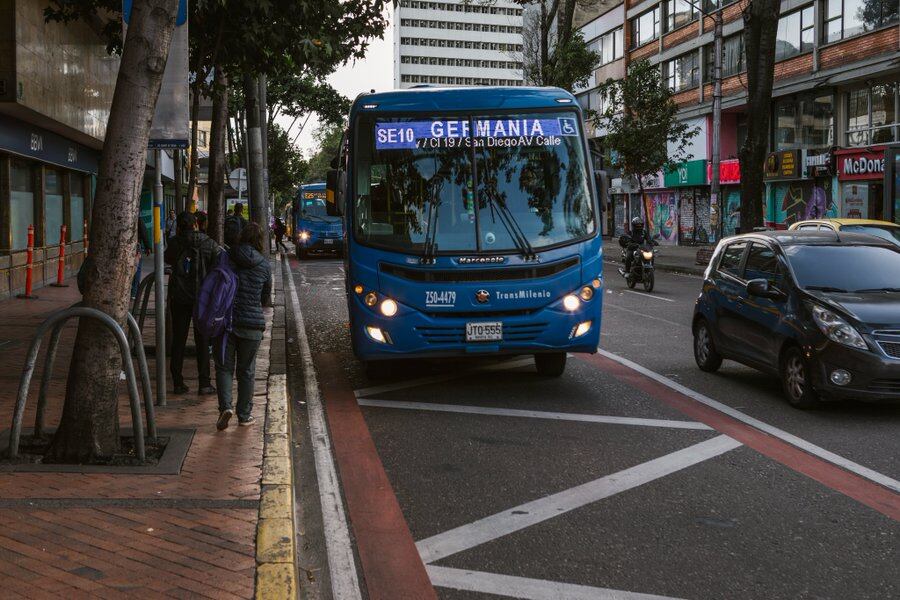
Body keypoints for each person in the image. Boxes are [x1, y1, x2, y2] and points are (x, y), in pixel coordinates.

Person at [216, 222, 272, 429]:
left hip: (227, 322)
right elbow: (265, 298)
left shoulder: (227, 257)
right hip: (253, 324)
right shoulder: (264, 265)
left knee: (224, 368)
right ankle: (244, 415)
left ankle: (225, 408)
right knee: (247, 371)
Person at [165, 211, 221, 395]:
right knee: (203, 340)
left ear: (180, 226)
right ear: (195, 224)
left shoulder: (174, 244)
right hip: (203, 299)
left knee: (179, 340)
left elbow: (167, 258)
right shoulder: (209, 244)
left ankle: (177, 382)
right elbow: (218, 265)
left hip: (180, 298)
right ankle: (204, 383)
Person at [131, 216, 152, 300]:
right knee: (136, 269)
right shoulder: (138, 219)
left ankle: (134, 289)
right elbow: (144, 233)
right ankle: (134, 292)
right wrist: (148, 247)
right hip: (135, 246)